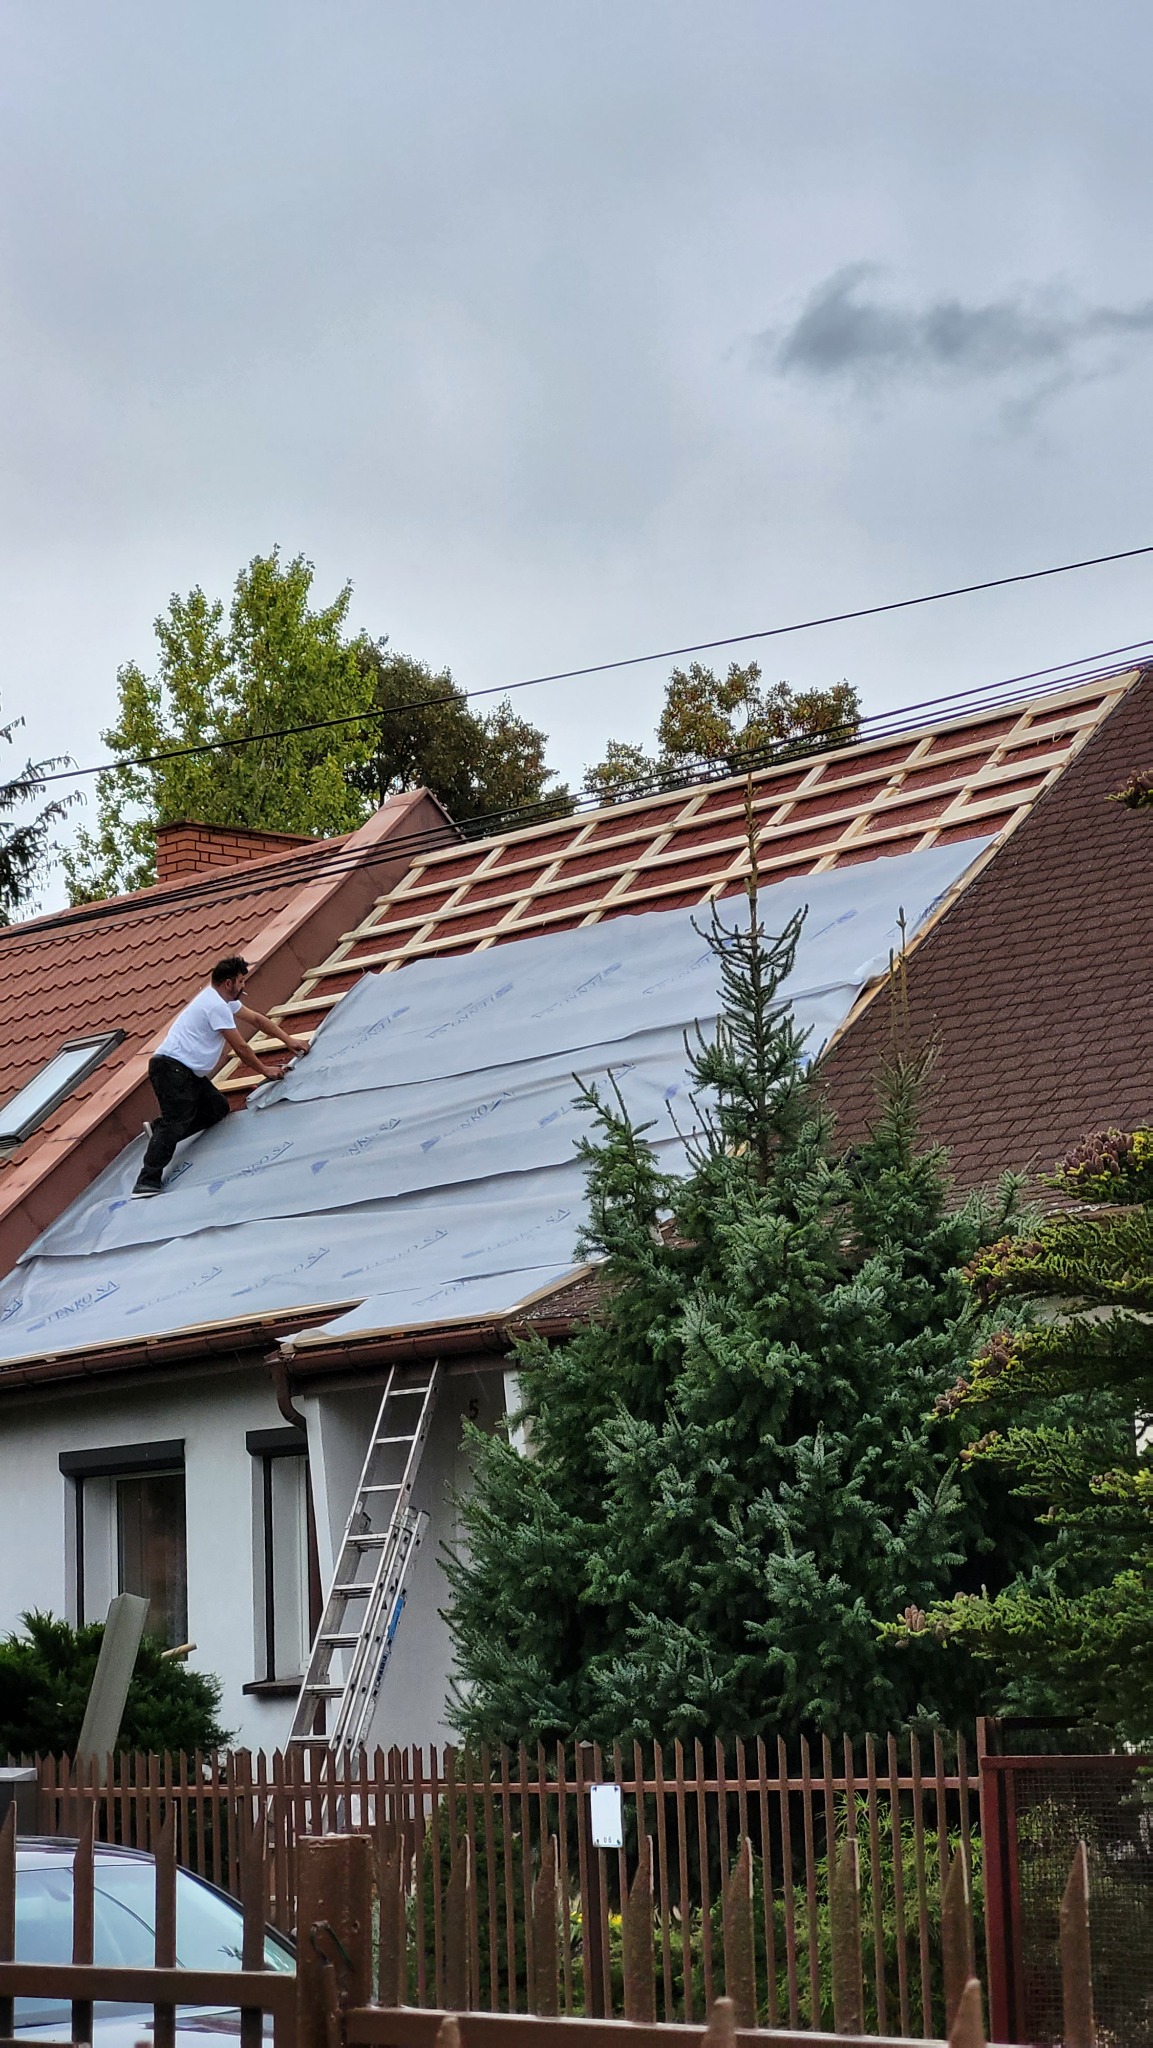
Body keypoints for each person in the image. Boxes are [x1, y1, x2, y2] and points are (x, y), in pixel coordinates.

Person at [131, 954, 308, 1198]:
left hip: (187, 1071)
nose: (243, 986)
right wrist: (265, 1070)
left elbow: (257, 1019)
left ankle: (158, 1130)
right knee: (176, 1122)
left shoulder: (222, 1001)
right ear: (228, 983)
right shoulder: (215, 1006)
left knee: (216, 1109)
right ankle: (146, 1181)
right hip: (172, 1069)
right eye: (241, 982)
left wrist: (289, 1040)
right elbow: (241, 1048)